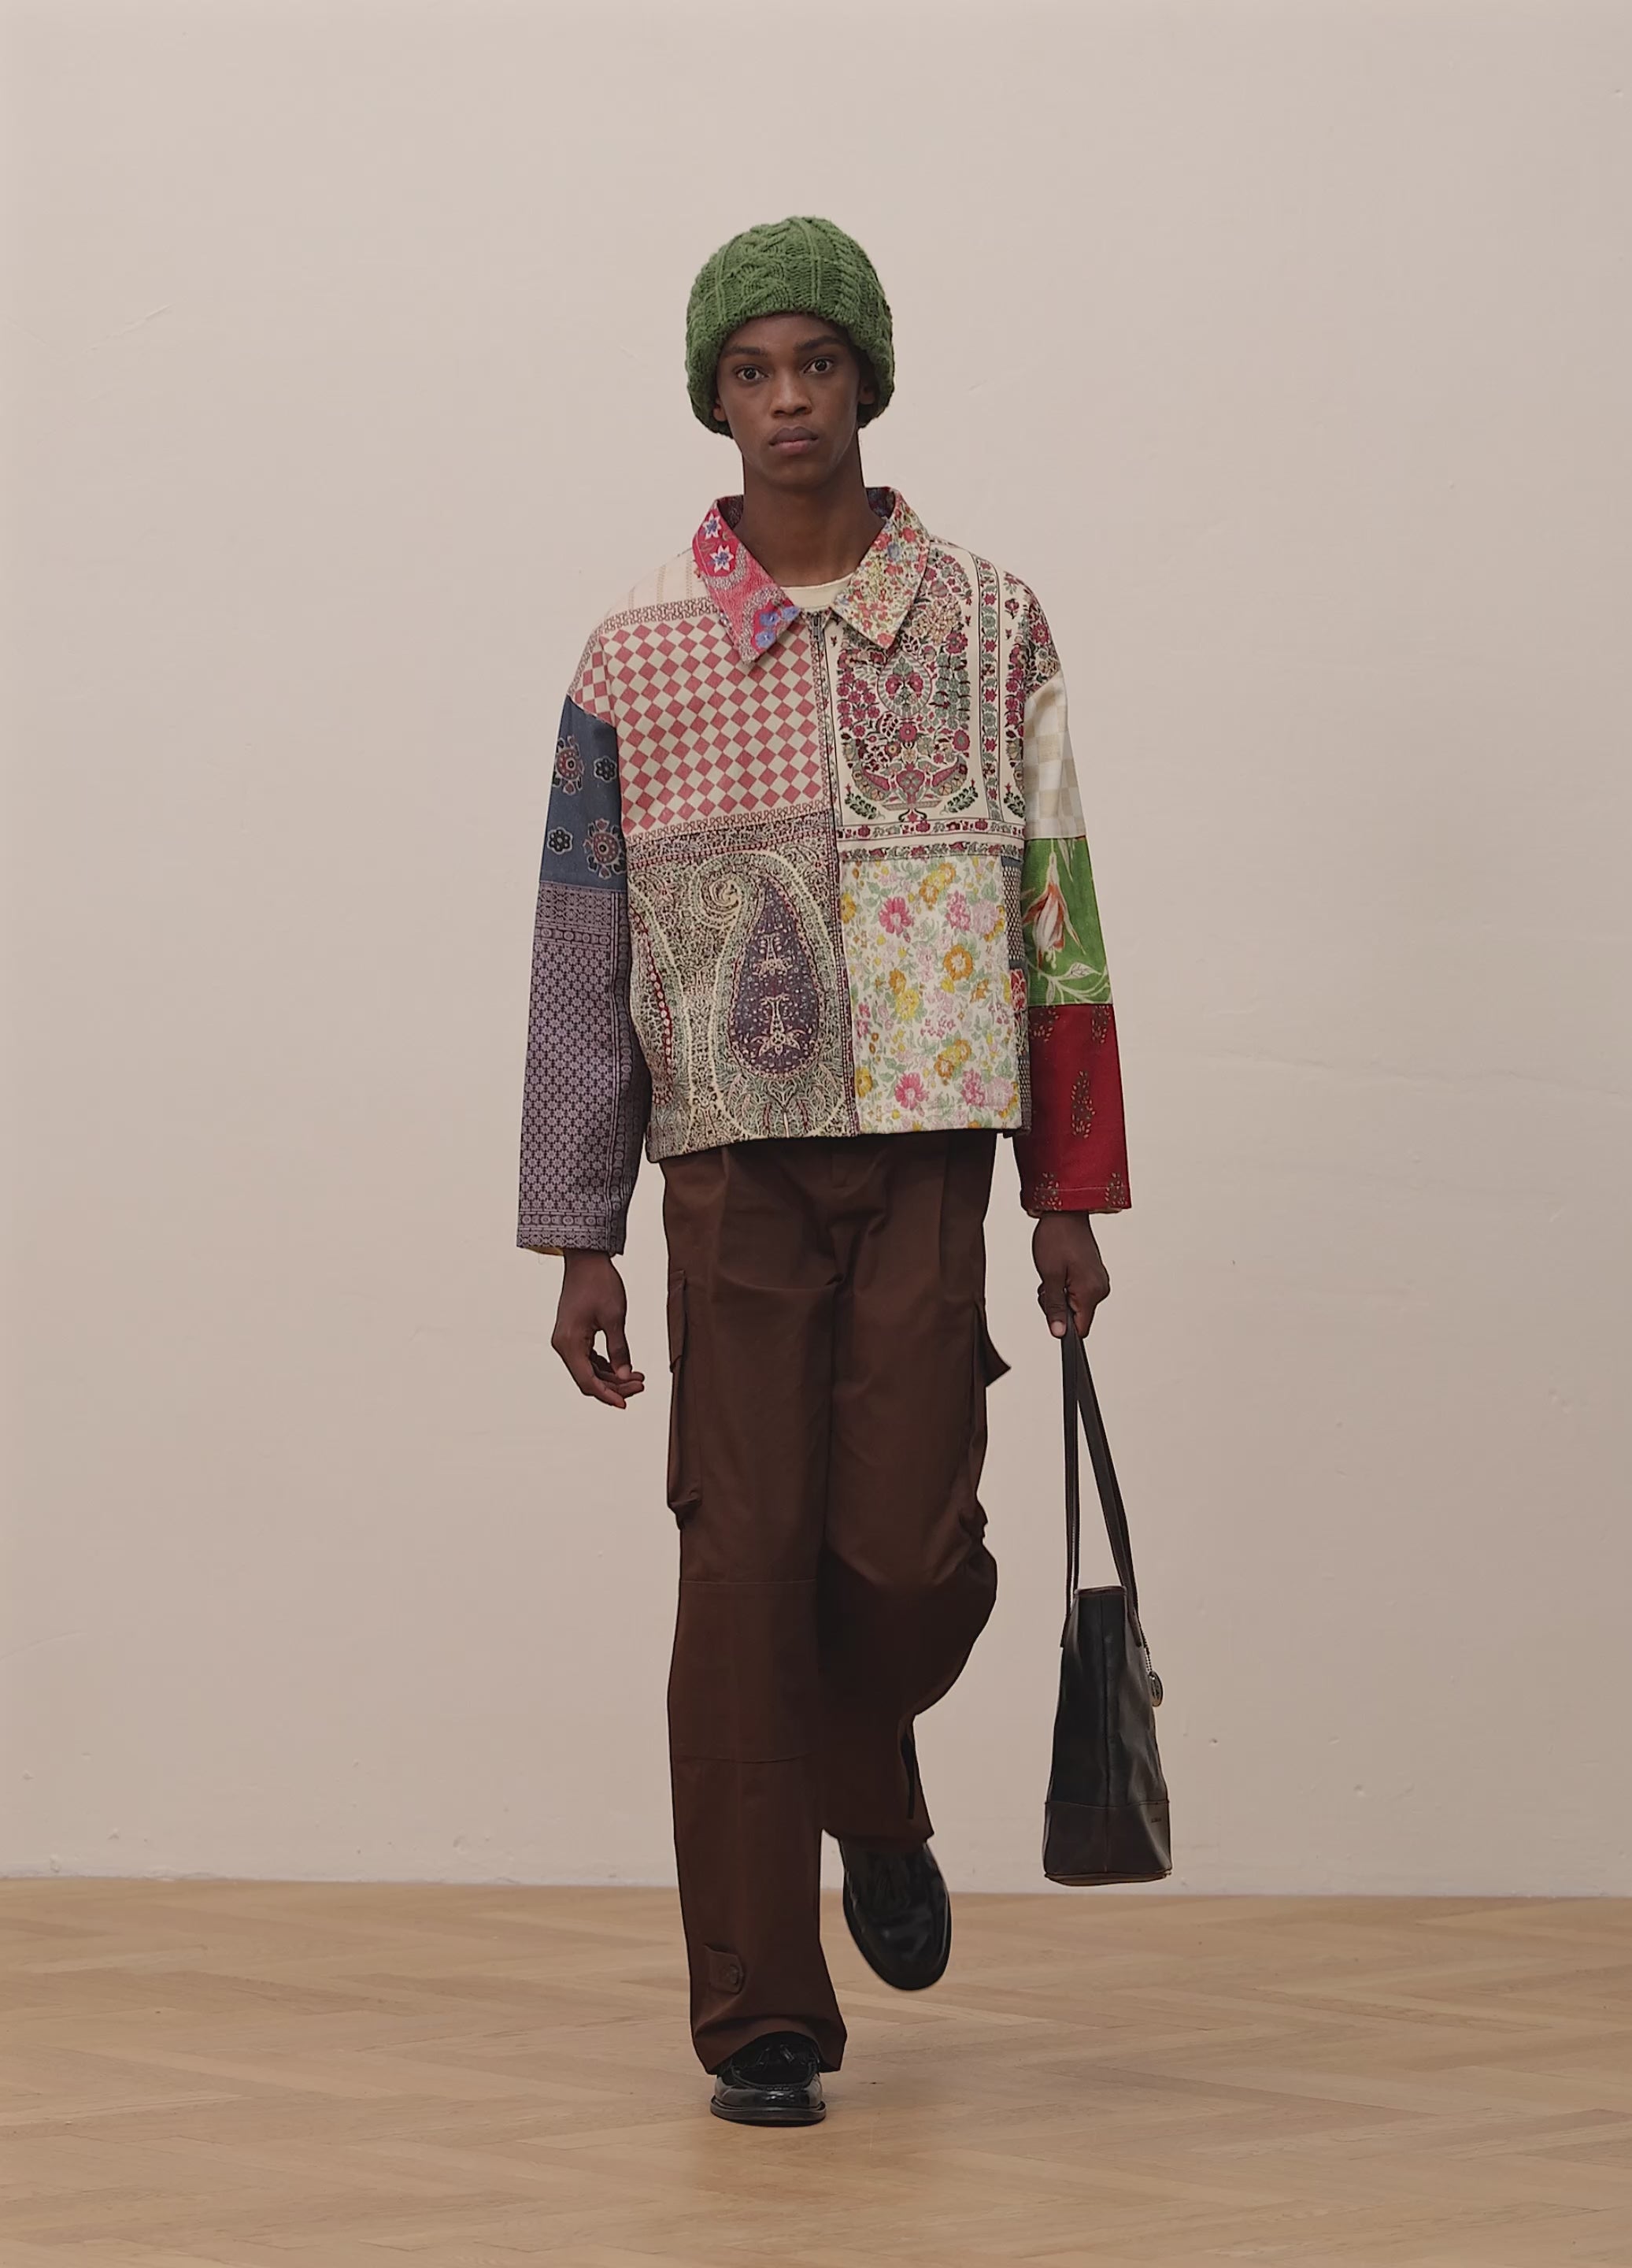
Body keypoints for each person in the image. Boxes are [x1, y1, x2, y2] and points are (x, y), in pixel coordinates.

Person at [517, 215, 1129, 2125]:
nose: (789, 400)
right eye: (752, 371)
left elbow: (1059, 914)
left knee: (908, 1558)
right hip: (732, 1172)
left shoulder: (996, 623)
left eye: (818, 364)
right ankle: (760, 2015)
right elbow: (579, 951)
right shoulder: (635, 654)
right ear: (715, 399)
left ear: (869, 380)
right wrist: (582, 1231)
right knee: (741, 1572)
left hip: (931, 1153)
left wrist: (1068, 1190)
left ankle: (865, 1771)